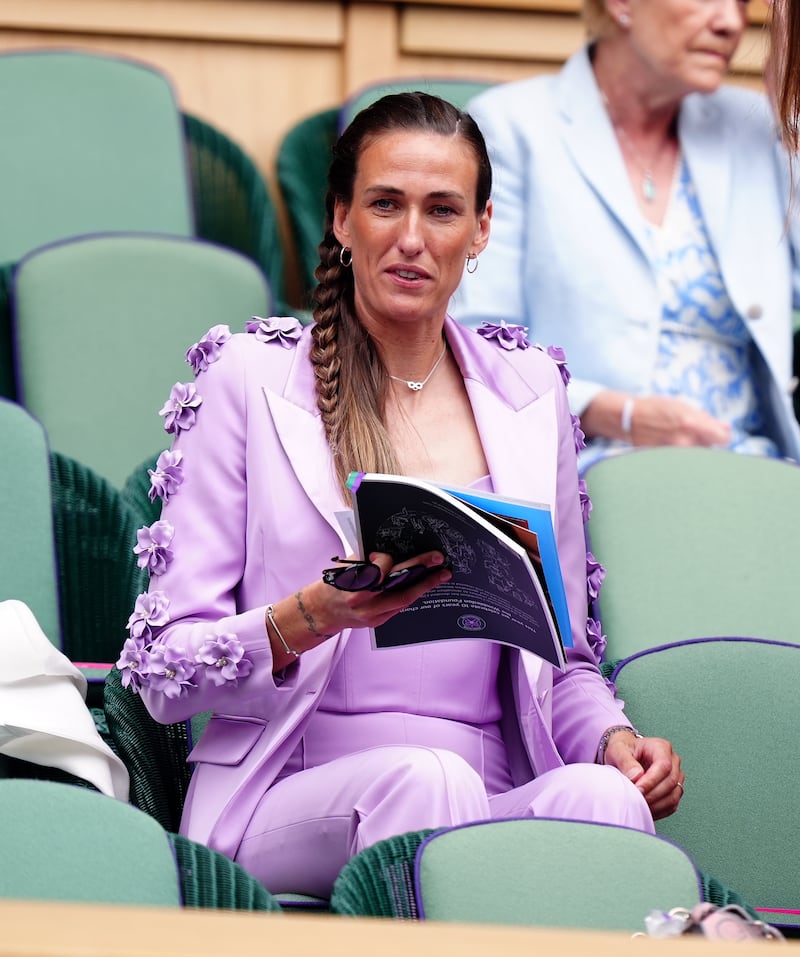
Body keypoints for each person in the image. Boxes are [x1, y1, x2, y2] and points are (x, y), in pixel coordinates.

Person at [116, 92, 683, 900]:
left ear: (482, 229)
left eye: (443, 209)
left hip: (489, 783)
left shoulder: (530, 394)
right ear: (342, 217)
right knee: (427, 780)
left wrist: (612, 738)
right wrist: (311, 614)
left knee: (602, 799)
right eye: (386, 203)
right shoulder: (247, 378)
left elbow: (565, 662)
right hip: (292, 792)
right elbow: (166, 672)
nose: (412, 238)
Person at [451, 0, 800, 468]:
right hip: (589, 467)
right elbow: (480, 339)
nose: (730, 23)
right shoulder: (513, 128)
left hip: (754, 465)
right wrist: (615, 413)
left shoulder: (754, 126)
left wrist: (792, 97)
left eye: (741, 2)